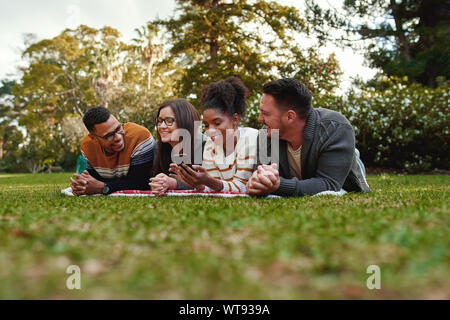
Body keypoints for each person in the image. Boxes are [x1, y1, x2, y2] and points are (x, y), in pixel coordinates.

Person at [246, 78, 370, 197]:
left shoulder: (336, 128)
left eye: (265, 113)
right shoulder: (266, 133)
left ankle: (352, 154)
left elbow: (329, 184)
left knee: (348, 158)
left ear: (290, 117)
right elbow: (260, 176)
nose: (259, 118)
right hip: (304, 171)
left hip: (342, 167)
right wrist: (259, 181)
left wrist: (279, 185)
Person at [170, 77, 258, 193]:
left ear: (234, 119)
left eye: (217, 123)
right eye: (206, 125)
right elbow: (215, 187)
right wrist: (199, 185)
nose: (210, 131)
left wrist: (210, 181)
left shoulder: (251, 139)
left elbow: (243, 187)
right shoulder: (210, 145)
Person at [70, 106, 155, 196]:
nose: (118, 137)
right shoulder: (87, 145)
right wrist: (82, 185)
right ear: (93, 138)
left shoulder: (140, 137)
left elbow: (142, 183)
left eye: (118, 128)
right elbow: (95, 180)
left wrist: (104, 187)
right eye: (109, 135)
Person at [149, 99, 205, 196]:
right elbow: (153, 180)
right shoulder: (158, 147)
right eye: (159, 120)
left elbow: (208, 183)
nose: (161, 126)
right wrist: (158, 184)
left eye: (169, 121)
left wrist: (174, 184)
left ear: (185, 121)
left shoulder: (205, 146)